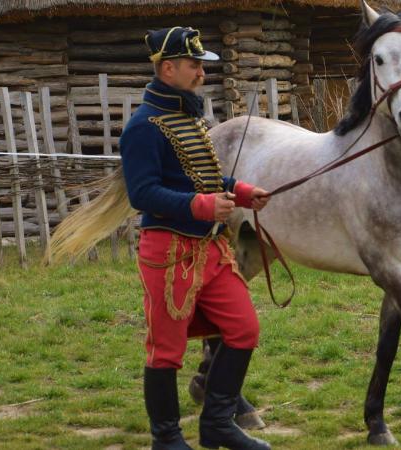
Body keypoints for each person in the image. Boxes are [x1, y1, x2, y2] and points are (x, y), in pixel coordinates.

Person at [120, 26, 271, 450]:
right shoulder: (143, 127)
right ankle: (166, 438)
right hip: (168, 253)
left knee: (243, 329)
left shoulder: (189, 118)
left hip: (210, 252)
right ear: (168, 68)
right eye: (194, 65)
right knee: (166, 350)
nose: (202, 73)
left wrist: (241, 191)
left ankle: (217, 424)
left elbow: (202, 179)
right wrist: (202, 206)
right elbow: (142, 194)